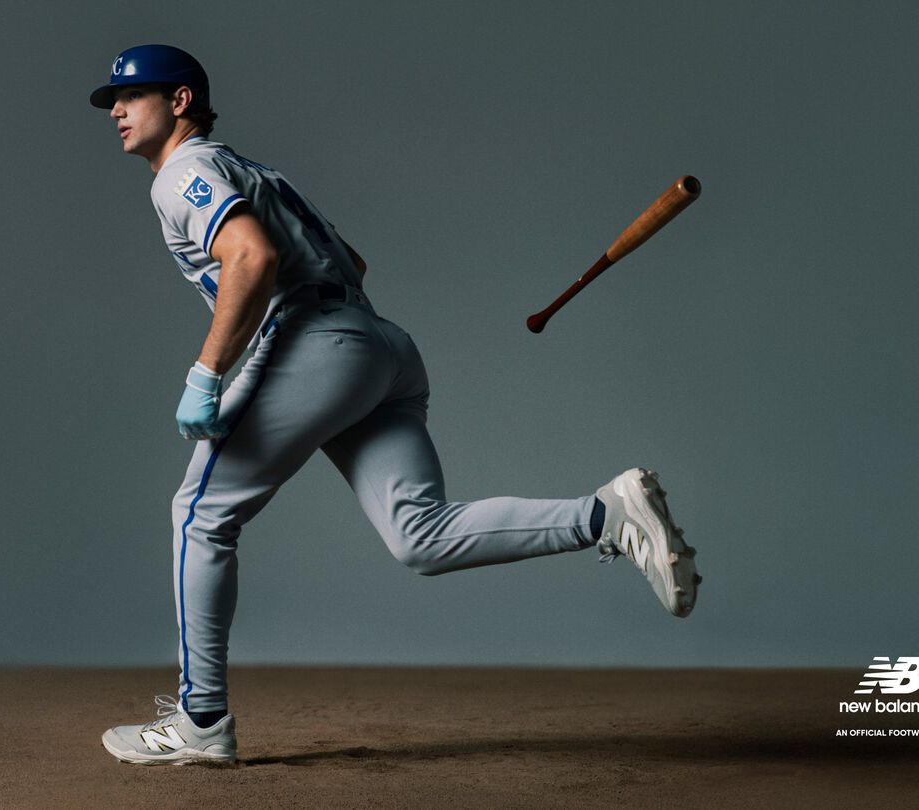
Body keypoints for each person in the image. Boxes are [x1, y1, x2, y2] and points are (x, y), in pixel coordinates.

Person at [90, 44, 701, 767]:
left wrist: (208, 371)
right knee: (422, 535)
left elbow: (251, 258)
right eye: (114, 102)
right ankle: (607, 512)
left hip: (314, 343)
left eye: (134, 96)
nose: (119, 111)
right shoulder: (251, 169)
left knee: (200, 513)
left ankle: (201, 722)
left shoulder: (182, 174)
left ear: (182, 100)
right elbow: (353, 263)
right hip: (377, 346)